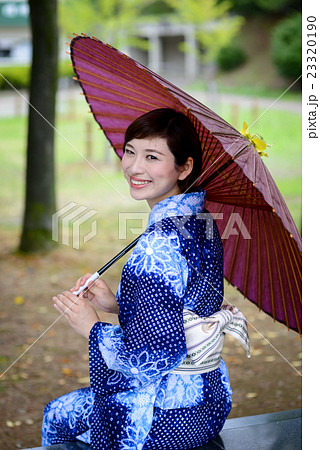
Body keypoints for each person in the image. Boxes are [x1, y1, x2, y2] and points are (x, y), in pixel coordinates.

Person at [42, 108, 248, 449]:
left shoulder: (156, 248)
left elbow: (151, 357)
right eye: (131, 151)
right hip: (209, 401)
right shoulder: (205, 223)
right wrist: (118, 305)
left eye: (152, 157)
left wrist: (92, 327)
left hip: (163, 416)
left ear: (185, 167)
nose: (135, 167)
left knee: (57, 415)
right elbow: (175, 313)